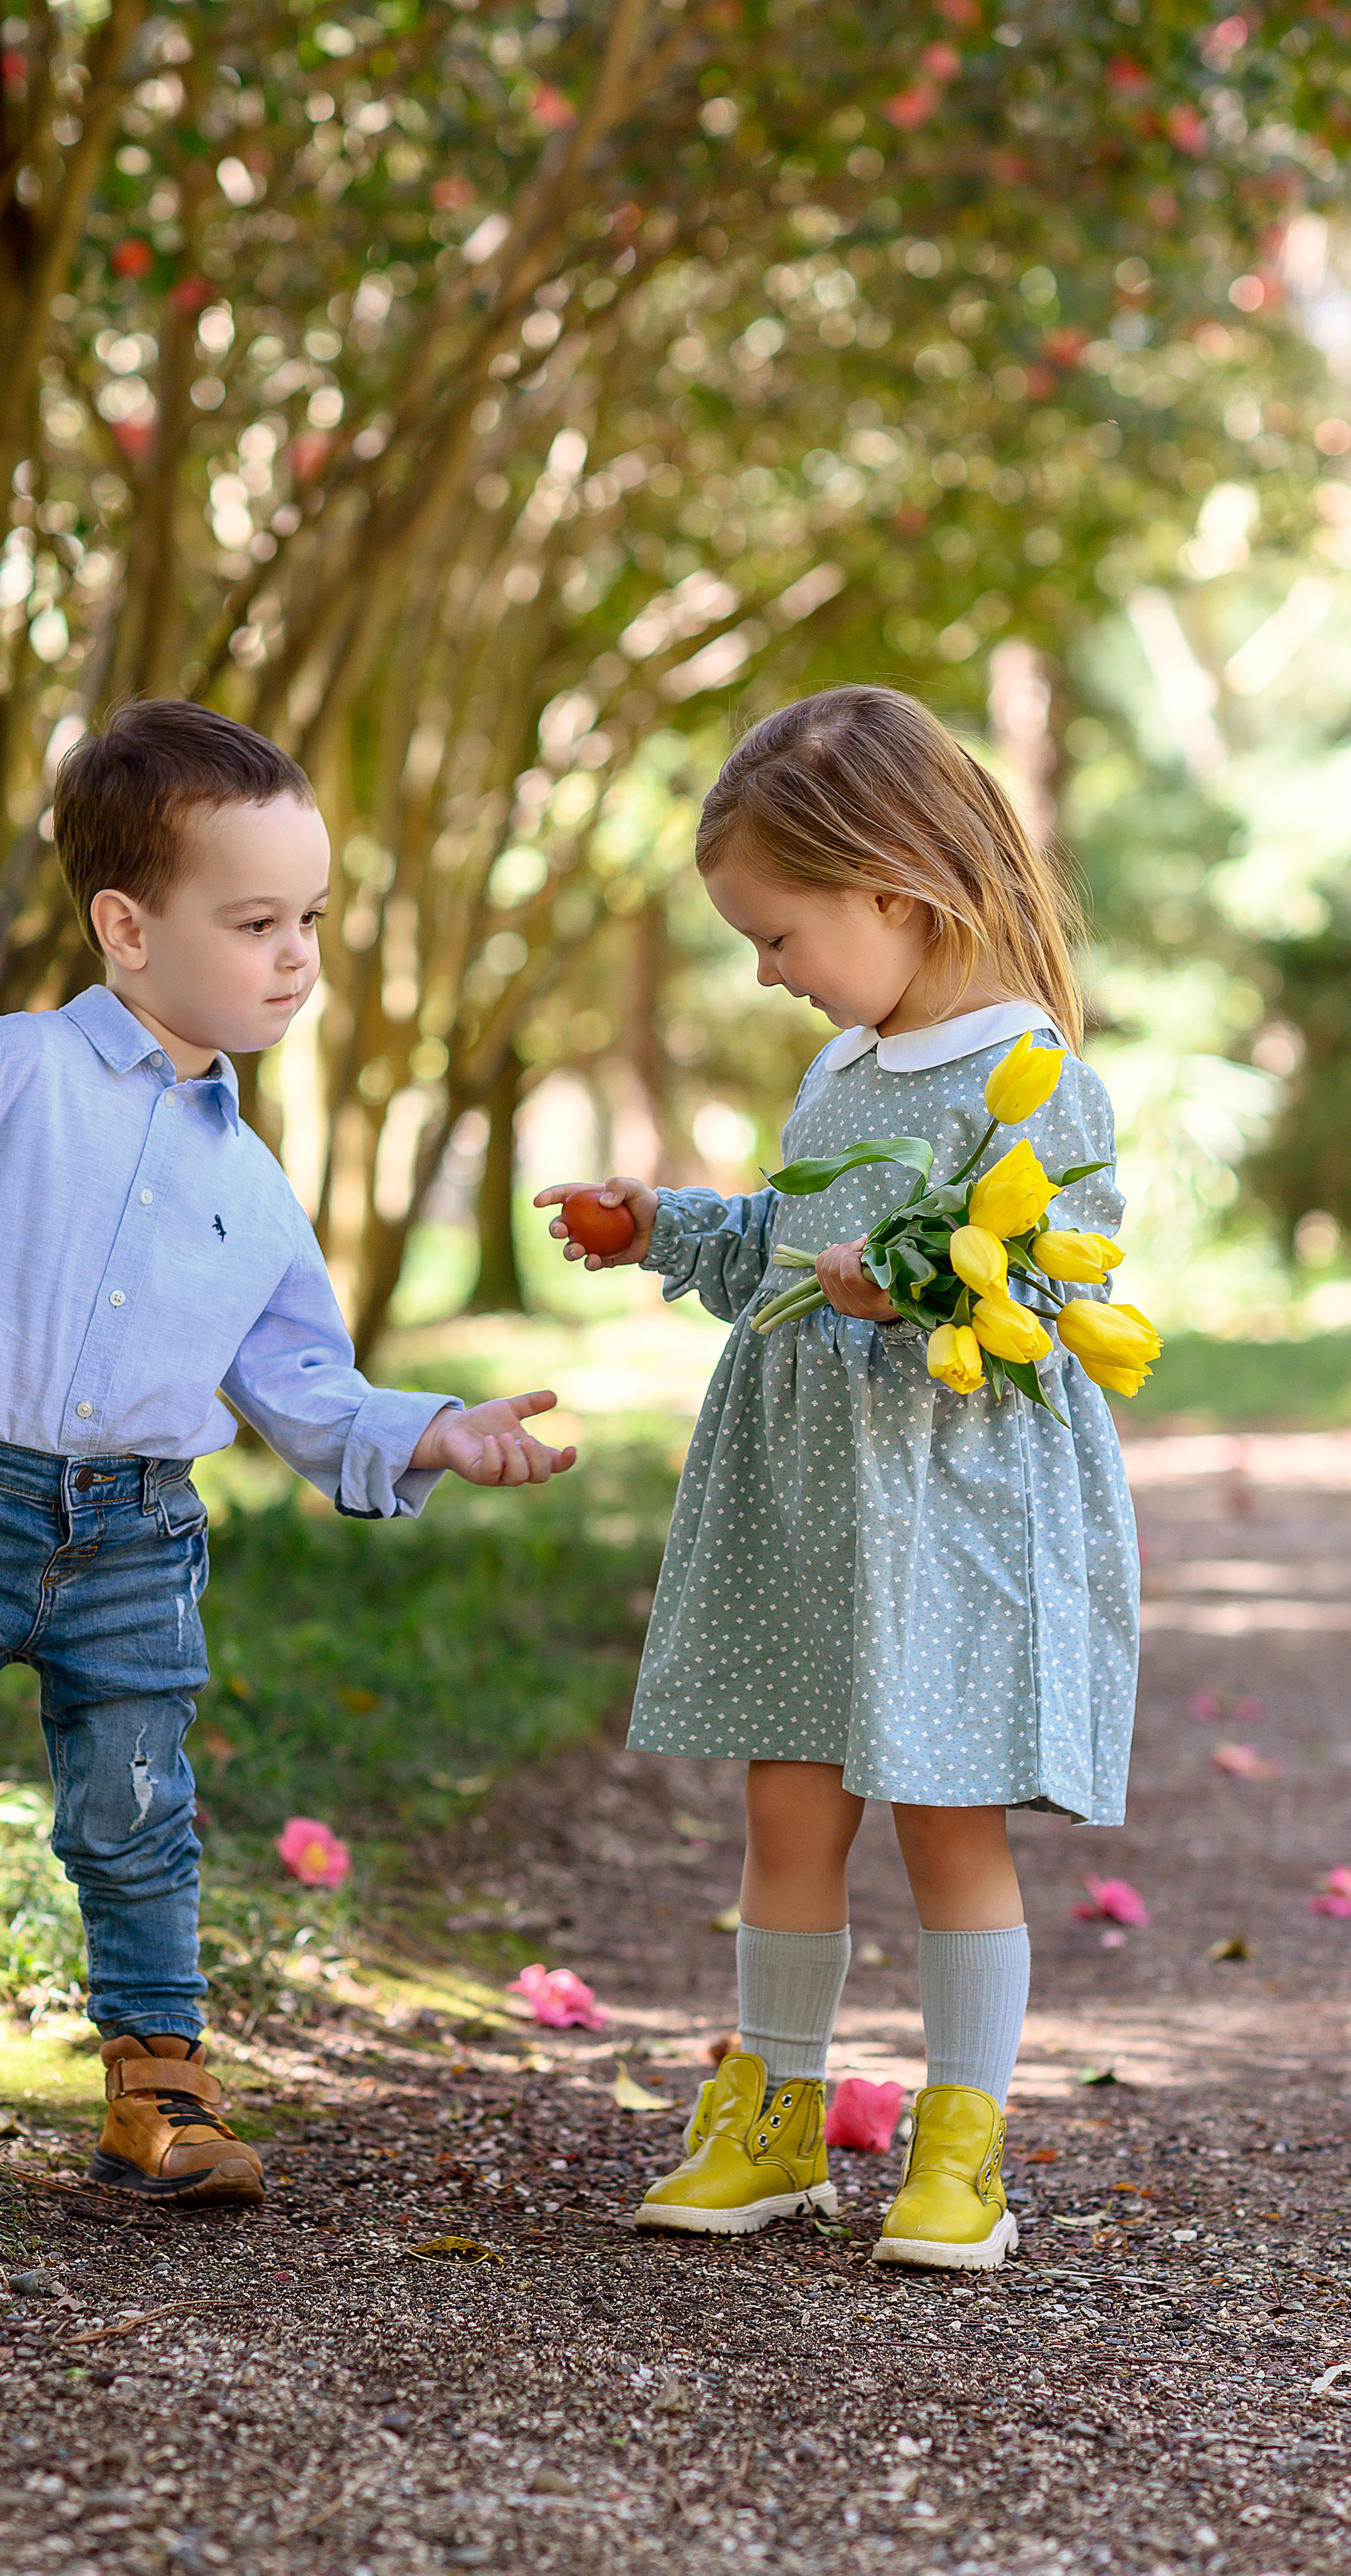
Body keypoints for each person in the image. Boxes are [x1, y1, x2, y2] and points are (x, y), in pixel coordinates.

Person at [0, 699, 575, 2205]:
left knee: (138, 1823)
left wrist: (435, 1435)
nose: (297, 957)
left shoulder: (255, 1183)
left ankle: (157, 2094)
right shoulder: (4, 1071)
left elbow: (300, 1383)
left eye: (311, 919)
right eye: (256, 922)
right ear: (128, 928)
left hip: (137, 1541)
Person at [536, 686, 1139, 2272]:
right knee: (786, 1804)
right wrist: (658, 1224)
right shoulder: (842, 1069)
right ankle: (776, 2115)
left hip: (947, 1508)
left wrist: (922, 1281)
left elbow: (1056, 1285)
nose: (765, 970)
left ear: (890, 890)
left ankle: (960, 2143)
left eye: (777, 934)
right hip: (806, 1506)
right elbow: (785, 1250)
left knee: (945, 1815)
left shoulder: (1027, 1072)